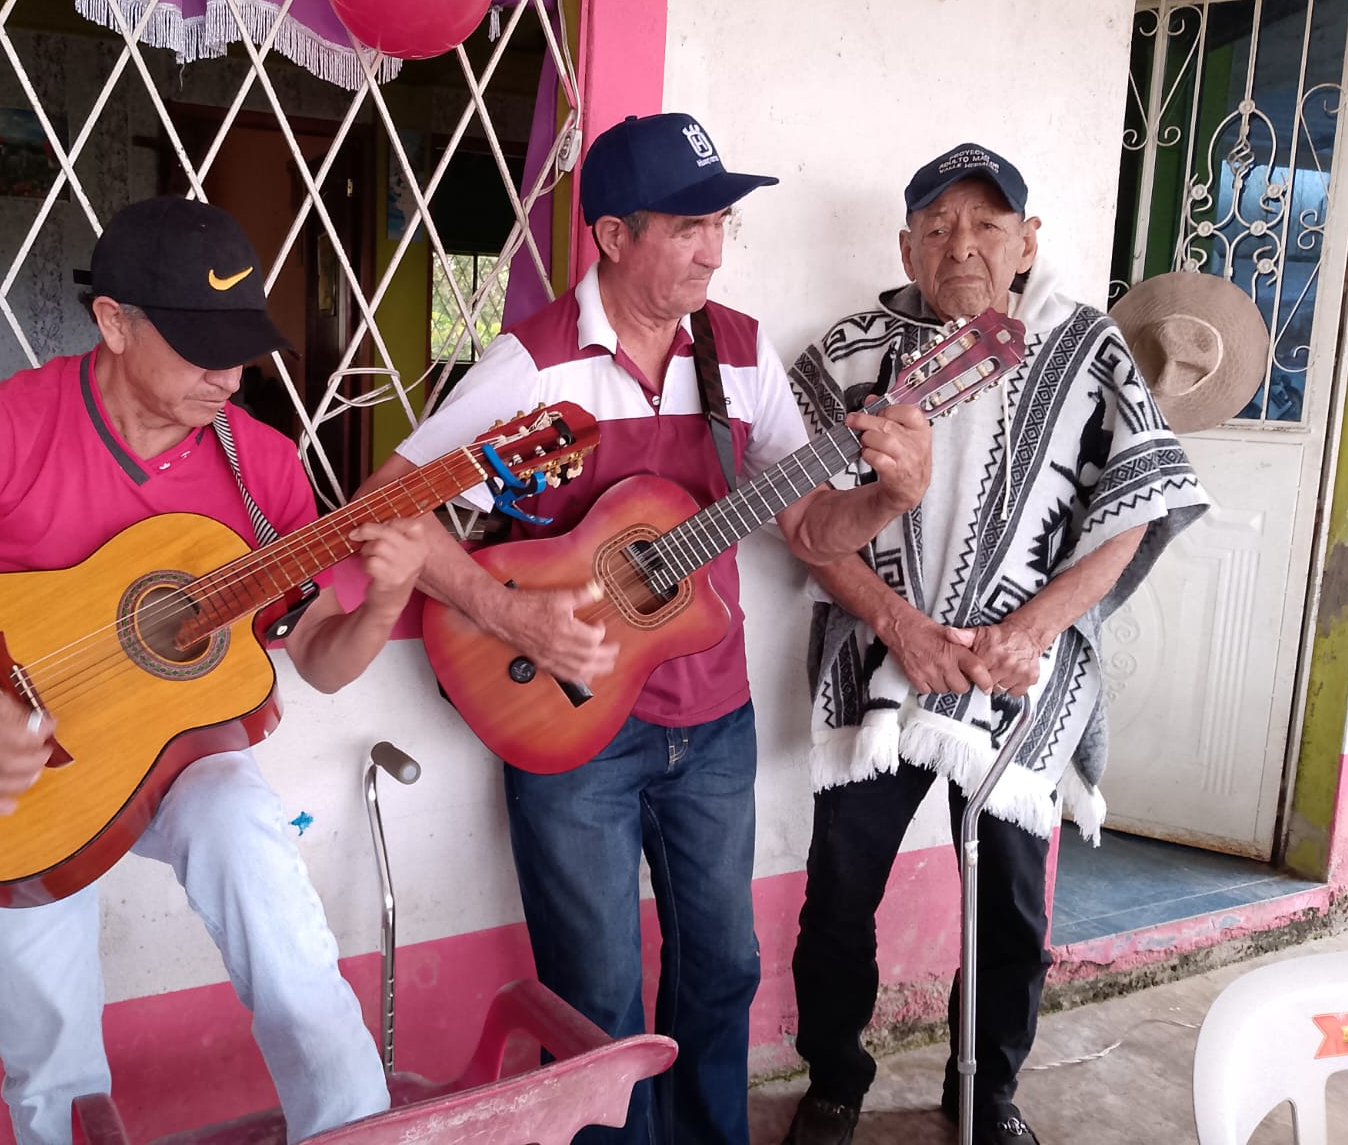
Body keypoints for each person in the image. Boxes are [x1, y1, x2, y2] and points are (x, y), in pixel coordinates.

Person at [0, 197, 431, 1145]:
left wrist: (382, 601)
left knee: (254, 850)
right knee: (49, 1058)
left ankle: (354, 1126)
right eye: (200, 349)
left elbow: (322, 664)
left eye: (241, 349)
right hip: (15, 771)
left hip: (176, 758)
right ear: (114, 323)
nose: (228, 377)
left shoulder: (263, 465)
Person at [358, 112, 935, 1145]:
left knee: (724, 970)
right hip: (572, 722)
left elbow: (809, 526)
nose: (713, 250)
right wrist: (508, 610)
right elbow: (383, 506)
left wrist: (886, 499)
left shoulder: (739, 353)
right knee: (596, 1002)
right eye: (687, 227)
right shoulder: (533, 365)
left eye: (721, 225)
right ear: (615, 237)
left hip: (711, 716)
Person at [781, 144, 1210, 1145]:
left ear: (1027, 242)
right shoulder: (848, 355)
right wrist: (899, 625)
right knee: (839, 895)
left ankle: (987, 1092)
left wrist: (1033, 630)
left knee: (1012, 909)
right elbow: (805, 527)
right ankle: (835, 1080)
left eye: (986, 224)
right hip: (881, 664)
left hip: (1023, 673)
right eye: (936, 227)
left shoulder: (1086, 345)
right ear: (906, 248)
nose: (961, 245)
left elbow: (1133, 510)